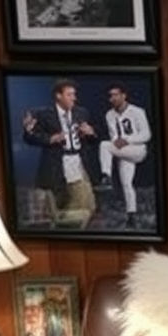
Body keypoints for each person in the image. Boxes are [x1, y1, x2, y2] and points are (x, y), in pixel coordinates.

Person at [20, 78, 98, 229]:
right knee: (57, 206)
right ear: (58, 96)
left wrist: (90, 133)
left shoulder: (82, 112)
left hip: (77, 162)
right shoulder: (43, 114)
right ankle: (63, 229)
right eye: (69, 94)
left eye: (74, 94)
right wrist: (50, 138)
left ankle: (71, 228)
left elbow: (92, 139)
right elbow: (28, 137)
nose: (74, 98)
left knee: (87, 204)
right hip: (56, 165)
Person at [97, 84, 152, 227]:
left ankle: (106, 176)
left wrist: (127, 140)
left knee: (104, 145)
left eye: (115, 95)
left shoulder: (137, 111)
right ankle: (131, 217)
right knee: (127, 184)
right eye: (110, 95)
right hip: (123, 151)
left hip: (138, 150)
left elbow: (147, 135)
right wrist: (118, 142)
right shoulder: (109, 114)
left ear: (123, 95)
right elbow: (114, 136)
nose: (112, 98)